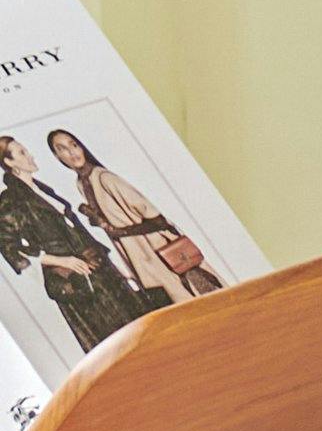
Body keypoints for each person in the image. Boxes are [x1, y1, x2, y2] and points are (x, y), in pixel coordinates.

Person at [50, 125, 219, 316]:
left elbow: (157, 219)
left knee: (195, 299)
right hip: (138, 255)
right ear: (57, 157)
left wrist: (118, 231)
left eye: (74, 145)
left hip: (158, 250)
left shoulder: (105, 178)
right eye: (62, 149)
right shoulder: (82, 183)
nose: (72, 153)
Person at [0, 125, 142, 348]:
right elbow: (9, 246)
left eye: (26, 150)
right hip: (76, 282)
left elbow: (78, 231)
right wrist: (62, 261)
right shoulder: (10, 200)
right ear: (9, 163)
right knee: (114, 345)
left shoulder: (42, 189)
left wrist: (117, 267)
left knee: (139, 328)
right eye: (21, 153)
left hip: (99, 268)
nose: (30, 155)